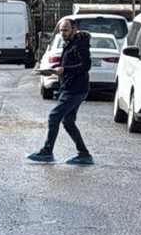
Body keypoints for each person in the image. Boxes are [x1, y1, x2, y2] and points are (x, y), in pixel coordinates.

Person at [28, 17, 94, 165]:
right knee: (68, 121)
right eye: (61, 30)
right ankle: (84, 154)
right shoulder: (70, 43)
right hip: (70, 88)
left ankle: (47, 151)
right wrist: (52, 70)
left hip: (75, 89)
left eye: (66, 30)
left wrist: (64, 70)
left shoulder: (80, 44)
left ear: (74, 30)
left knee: (54, 116)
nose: (63, 33)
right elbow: (66, 63)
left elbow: (85, 65)